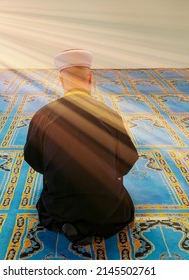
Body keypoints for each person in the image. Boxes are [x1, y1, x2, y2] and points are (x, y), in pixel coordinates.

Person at [24, 49, 138, 245]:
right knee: (121, 200)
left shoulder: (43, 115)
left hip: (59, 208)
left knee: (49, 197)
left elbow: (34, 159)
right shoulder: (110, 115)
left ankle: (68, 224)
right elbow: (127, 161)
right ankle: (94, 223)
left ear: (60, 80)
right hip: (108, 212)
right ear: (90, 79)